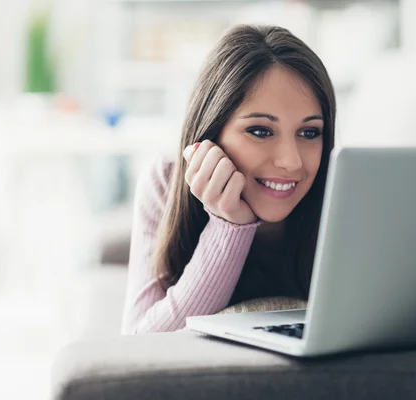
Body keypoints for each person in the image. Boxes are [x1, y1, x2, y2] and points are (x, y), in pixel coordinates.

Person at [121, 24, 336, 334]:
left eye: (309, 132)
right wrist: (228, 225)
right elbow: (139, 347)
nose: (291, 162)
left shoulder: (345, 190)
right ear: (211, 132)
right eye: (260, 131)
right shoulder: (165, 180)